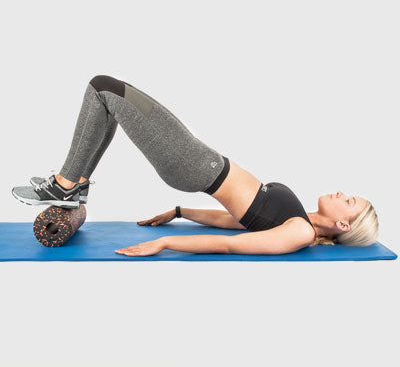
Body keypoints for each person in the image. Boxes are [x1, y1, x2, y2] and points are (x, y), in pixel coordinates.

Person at [11, 75, 379, 256]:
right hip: (197, 159)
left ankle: (65, 183)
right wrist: (178, 211)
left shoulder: (300, 232)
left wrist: (166, 243)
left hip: (192, 164)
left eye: (349, 202)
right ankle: (74, 183)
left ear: (343, 224)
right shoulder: (298, 219)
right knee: (107, 99)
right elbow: (235, 220)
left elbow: (232, 245)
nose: (342, 194)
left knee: (104, 88)